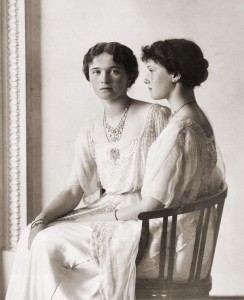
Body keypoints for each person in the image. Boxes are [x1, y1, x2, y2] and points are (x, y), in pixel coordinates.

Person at [5, 42, 170, 300]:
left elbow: (170, 178)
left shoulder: (155, 114)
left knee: (50, 242)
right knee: (32, 233)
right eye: (96, 72)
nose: (104, 79)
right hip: (106, 207)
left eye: (114, 71)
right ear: (89, 76)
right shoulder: (89, 130)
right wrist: (42, 218)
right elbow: (73, 190)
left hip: (143, 213)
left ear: (130, 76)